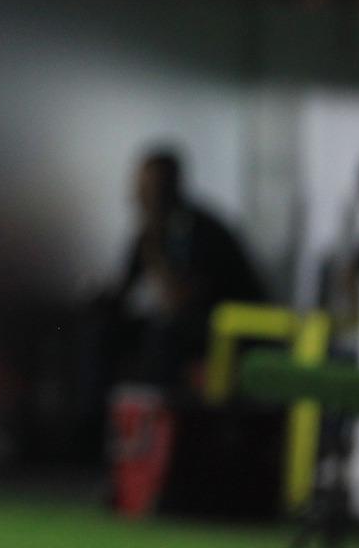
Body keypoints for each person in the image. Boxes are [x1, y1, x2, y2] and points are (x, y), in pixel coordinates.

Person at [107, 149, 265, 389]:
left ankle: (162, 415)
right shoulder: (149, 233)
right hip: (196, 327)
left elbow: (181, 301)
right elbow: (123, 290)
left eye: (150, 187)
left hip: (232, 329)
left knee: (162, 338)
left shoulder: (198, 230)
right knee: (103, 328)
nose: (139, 196)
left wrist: (154, 252)